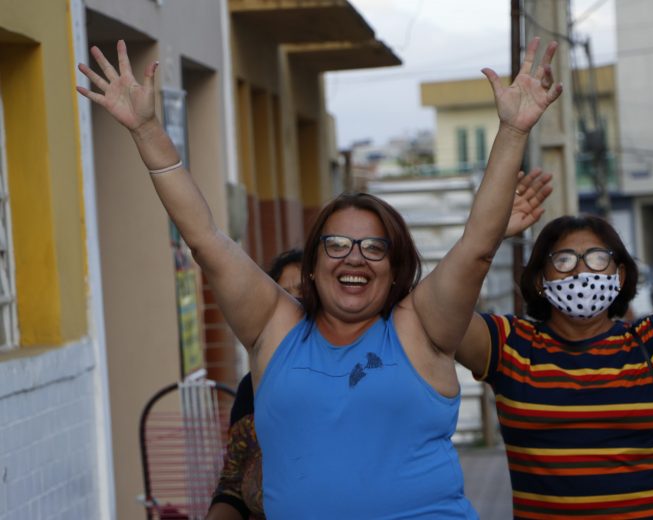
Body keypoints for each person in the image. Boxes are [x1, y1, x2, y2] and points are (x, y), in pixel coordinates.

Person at [77, 37, 562, 518]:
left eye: (375, 247)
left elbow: (477, 248)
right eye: (336, 245)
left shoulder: (421, 327)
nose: (354, 258)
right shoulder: (275, 328)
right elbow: (205, 239)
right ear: (311, 264)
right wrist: (146, 130)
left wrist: (513, 132)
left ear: (395, 270)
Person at [455, 214, 653, 519]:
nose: (582, 272)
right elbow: (440, 313)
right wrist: (488, 237)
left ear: (619, 275)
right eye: (564, 260)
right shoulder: (509, 345)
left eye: (597, 258)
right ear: (541, 279)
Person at [207, 249, 302, 520]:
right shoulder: (252, 389)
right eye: (286, 296)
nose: (297, 304)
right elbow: (233, 483)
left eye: (305, 293)